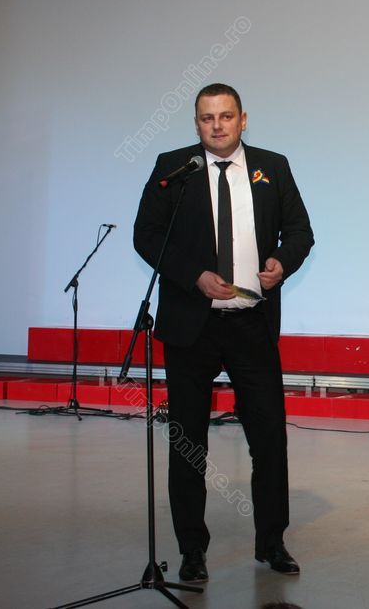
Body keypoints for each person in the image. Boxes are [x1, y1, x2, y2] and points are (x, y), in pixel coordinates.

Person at [133, 83, 314, 580]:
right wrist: (193, 275)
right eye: (207, 117)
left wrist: (282, 262)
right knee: (188, 443)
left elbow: (301, 231)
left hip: (251, 324)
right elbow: (146, 234)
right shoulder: (175, 168)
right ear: (196, 123)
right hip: (192, 326)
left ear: (243, 119)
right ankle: (192, 550)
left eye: (226, 116)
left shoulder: (272, 167)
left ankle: (271, 542)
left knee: (269, 440)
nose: (217, 125)